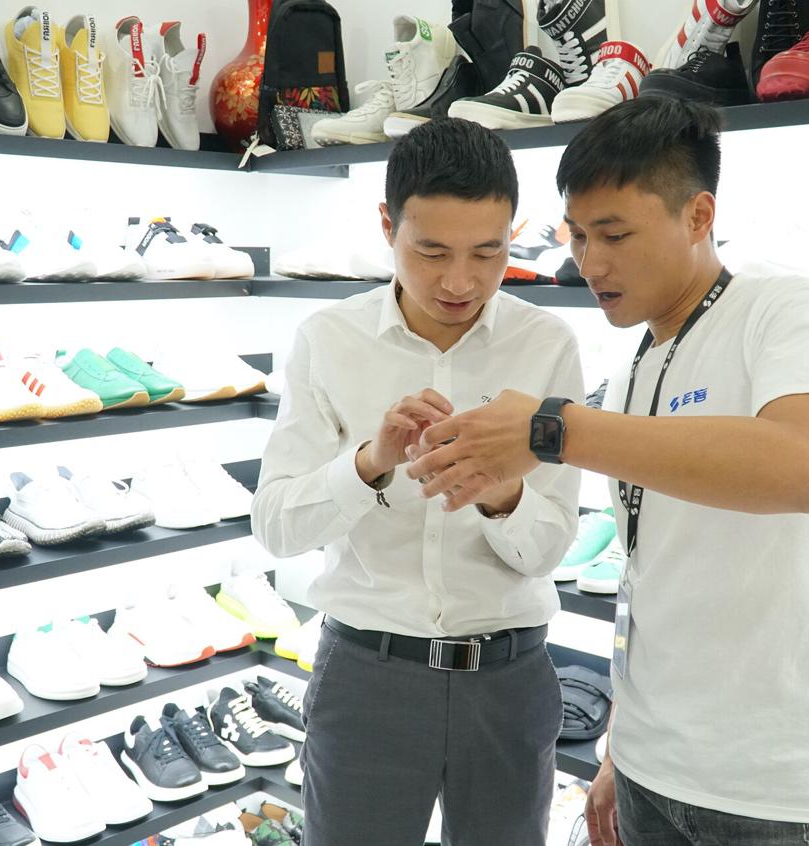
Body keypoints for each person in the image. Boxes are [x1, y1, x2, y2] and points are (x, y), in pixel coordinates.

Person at [406, 97, 809, 844]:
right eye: (577, 235)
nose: (589, 263)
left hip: (781, 790)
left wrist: (554, 429)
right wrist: (620, 743)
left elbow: (802, 468)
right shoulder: (636, 368)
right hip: (650, 771)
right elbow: (650, 574)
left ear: (698, 216)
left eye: (615, 235)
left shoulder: (786, 309)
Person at [250, 117, 584, 846]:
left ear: (513, 232)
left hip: (508, 678)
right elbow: (275, 528)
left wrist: (502, 494)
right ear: (386, 226)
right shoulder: (328, 339)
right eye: (431, 251)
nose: (461, 281)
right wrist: (369, 463)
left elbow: (550, 550)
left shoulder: (547, 345)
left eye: (488, 252)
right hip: (367, 677)